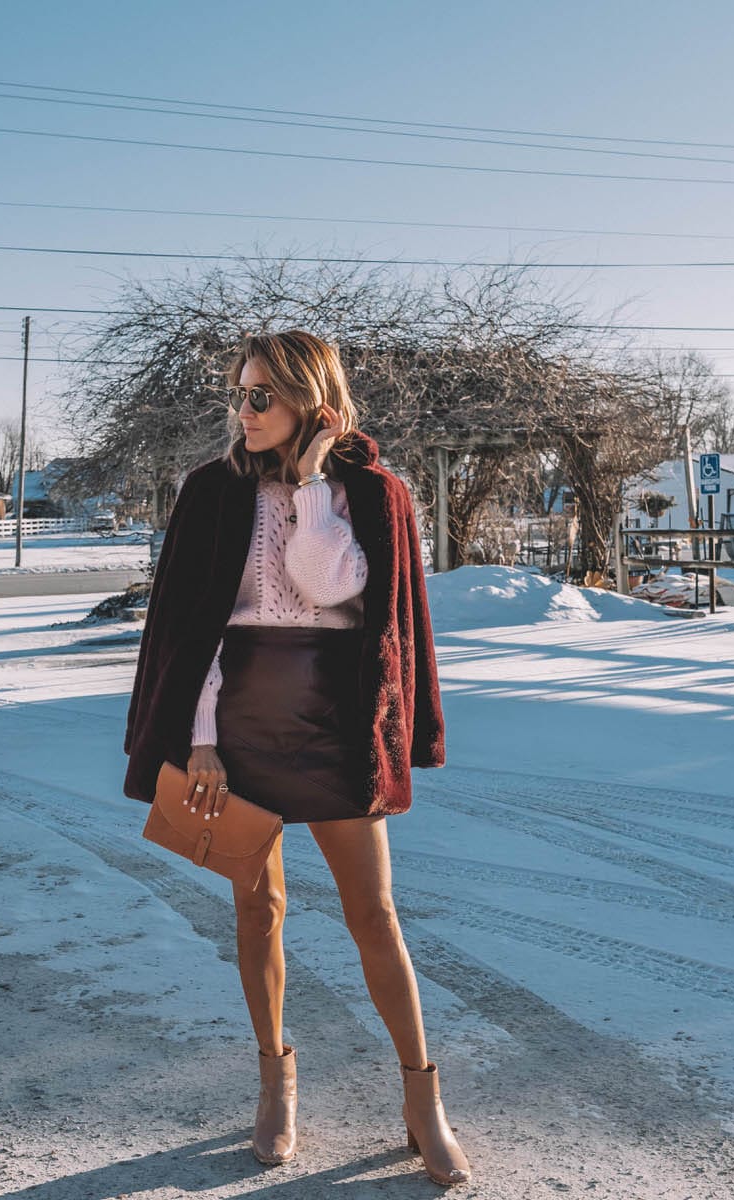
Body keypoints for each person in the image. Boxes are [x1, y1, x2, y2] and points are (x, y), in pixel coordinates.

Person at [124, 330, 471, 1186]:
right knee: (258, 908)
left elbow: (329, 588)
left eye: (259, 397)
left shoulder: (371, 492)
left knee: (374, 914)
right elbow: (197, 631)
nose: (242, 412)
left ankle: (423, 1100)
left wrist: (312, 488)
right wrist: (200, 739)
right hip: (236, 721)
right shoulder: (209, 492)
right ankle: (276, 1082)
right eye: (238, 395)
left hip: (338, 725)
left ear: (310, 401)